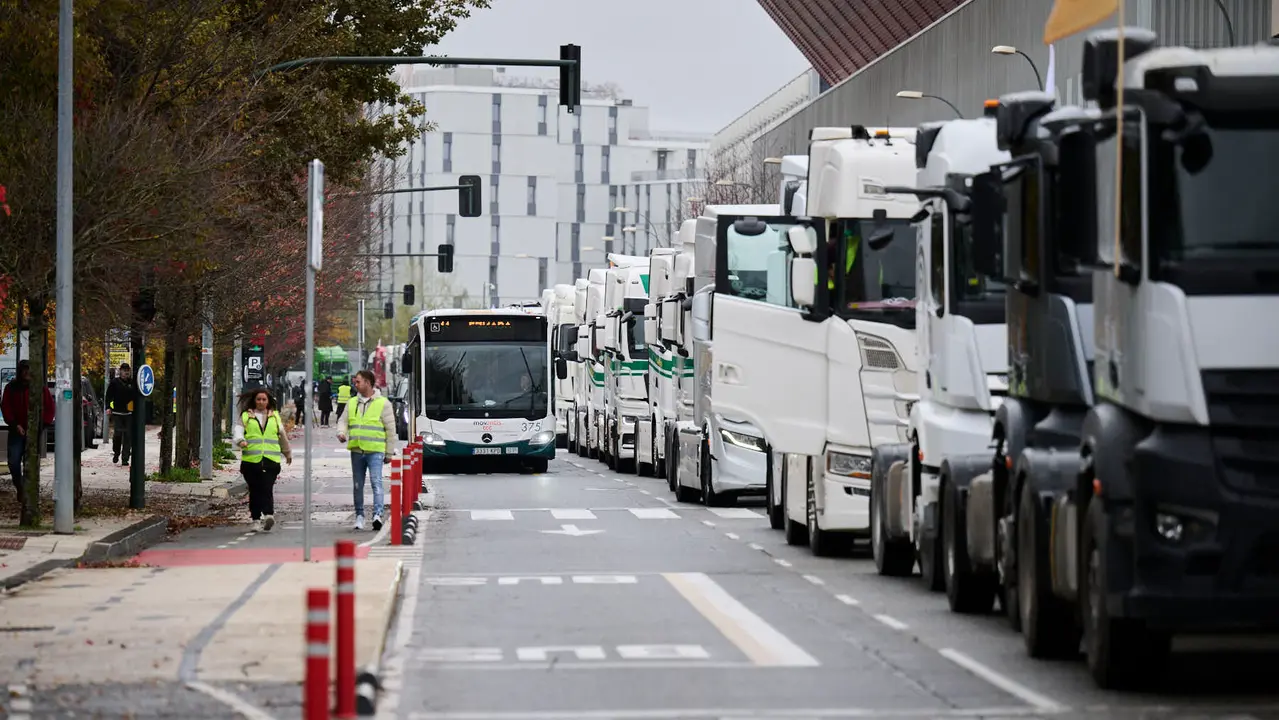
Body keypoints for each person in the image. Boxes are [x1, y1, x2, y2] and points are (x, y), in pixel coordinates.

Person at [336, 369, 396, 531]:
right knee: (357, 485)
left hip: (375, 451)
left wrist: (389, 452)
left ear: (368, 383)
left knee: (376, 483)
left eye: (358, 381)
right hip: (357, 450)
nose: (355, 384)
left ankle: (377, 514)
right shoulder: (352, 402)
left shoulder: (383, 403)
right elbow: (343, 421)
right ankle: (360, 516)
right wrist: (341, 432)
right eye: (355, 382)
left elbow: (391, 430)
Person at [232, 388, 292, 531]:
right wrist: (240, 441)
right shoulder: (246, 416)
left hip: (271, 460)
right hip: (251, 461)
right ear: (254, 400)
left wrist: (287, 453)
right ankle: (256, 519)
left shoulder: (275, 416)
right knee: (255, 490)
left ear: (268, 401)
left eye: (264, 399)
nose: (261, 402)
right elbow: (238, 431)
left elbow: (282, 436)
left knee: (267, 487)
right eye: (258, 399)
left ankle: (269, 514)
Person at [1, 360, 55, 496]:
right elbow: (6, 407)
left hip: (34, 431)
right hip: (16, 430)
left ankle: (29, 491)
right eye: (24, 369)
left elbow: (50, 407)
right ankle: (20, 486)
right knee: (13, 462)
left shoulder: (40, 388)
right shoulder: (11, 387)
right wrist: (14, 424)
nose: (26, 372)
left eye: (29, 369)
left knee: (30, 463)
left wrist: (42, 425)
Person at [105, 363, 135, 465]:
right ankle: (116, 452)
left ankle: (125, 458)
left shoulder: (132, 383)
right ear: (121, 371)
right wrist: (108, 407)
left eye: (128, 370)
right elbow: (108, 396)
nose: (126, 372)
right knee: (117, 435)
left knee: (128, 436)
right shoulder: (115, 382)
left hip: (129, 414)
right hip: (117, 412)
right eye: (124, 370)